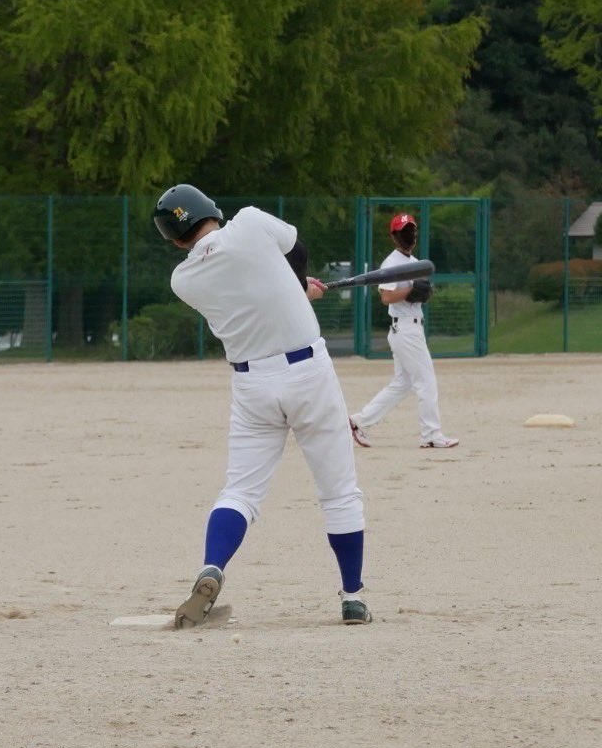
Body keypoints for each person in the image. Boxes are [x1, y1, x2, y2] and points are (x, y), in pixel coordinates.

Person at [153, 184, 371, 627]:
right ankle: (351, 596)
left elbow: (246, 287)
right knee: (338, 492)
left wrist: (290, 289)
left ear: (176, 240)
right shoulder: (251, 221)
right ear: (211, 210)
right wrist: (297, 285)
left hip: (252, 385)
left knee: (240, 492)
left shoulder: (183, 280)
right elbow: (297, 248)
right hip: (309, 373)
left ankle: (212, 568)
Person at [349, 212, 459, 450]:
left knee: (402, 385)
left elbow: (417, 293)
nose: (408, 235)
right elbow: (386, 296)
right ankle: (431, 434)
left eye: (411, 231)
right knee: (426, 382)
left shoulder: (413, 263)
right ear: (394, 236)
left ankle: (358, 422)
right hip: (406, 329)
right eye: (403, 232)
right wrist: (410, 292)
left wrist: (421, 294)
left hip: (410, 327)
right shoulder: (391, 264)